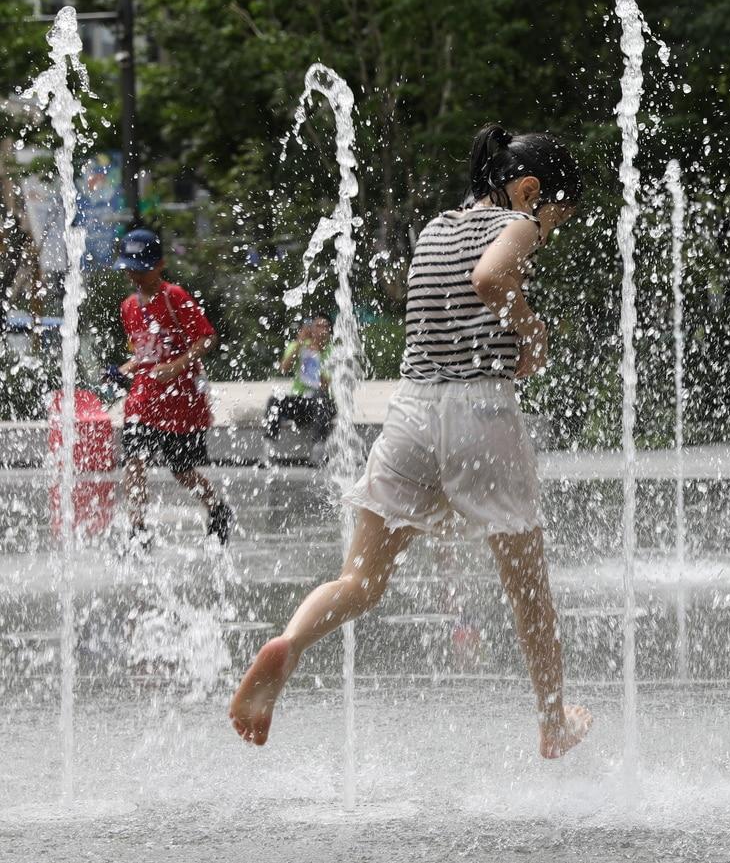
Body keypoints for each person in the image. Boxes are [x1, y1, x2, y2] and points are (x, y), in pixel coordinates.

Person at [229, 124, 592, 759]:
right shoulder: (518, 225)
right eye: (556, 215)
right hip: (481, 410)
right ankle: (552, 720)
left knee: (360, 581)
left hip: (412, 411)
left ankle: (287, 644)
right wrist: (530, 335)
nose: (551, 230)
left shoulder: (435, 228)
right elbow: (490, 278)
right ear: (529, 190)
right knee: (527, 587)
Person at [115, 228, 233, 549]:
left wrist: (177, 366)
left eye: (141, 268)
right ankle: (138, 529)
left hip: (180, 403)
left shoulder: (174, 297)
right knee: (134, 462)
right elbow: (143, 354)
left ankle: (217, 508)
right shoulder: (128, 307)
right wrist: (121, 370)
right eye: (129, 268)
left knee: (181, 471)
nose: (134, 275)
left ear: (160, 265)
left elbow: (208, 338)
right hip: (142, 400)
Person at [263, 316, 334, 453]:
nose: (322, 331)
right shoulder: (299, 346)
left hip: (323, 403)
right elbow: (284, 368)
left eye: (325, 327)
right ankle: (268, 446)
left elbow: (326, 385)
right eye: (317, 326)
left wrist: (317, 355)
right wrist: (300, 343)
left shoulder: (333, 351)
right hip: (301, 400)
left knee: (321, 398)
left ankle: (318, 448)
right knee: (275, 401)